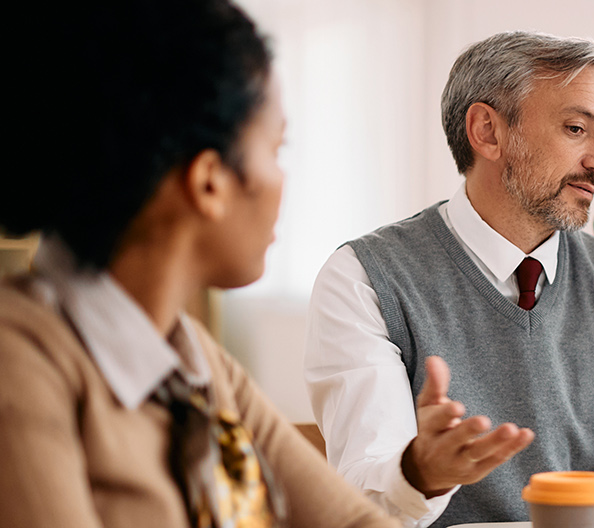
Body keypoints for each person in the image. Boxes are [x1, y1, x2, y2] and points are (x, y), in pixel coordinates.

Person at [0, 1, 398, 526]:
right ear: (210, 180)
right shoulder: (20, 363)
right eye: (276, 149)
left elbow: (353, 521)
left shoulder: (193, 360)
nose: (283, 180)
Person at [304, 31, 594, 527]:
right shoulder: (365, 279)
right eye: (577, 129)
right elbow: (362, 507)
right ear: (487, 131)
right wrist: (421, 473)